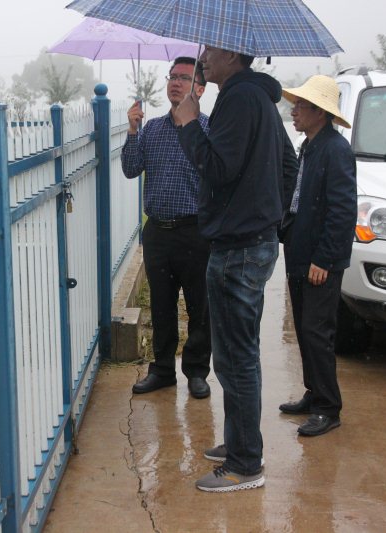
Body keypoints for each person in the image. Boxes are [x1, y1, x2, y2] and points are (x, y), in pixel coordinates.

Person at [172, 47, 298, 492]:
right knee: (237, 354)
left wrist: (189, 124)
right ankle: (241, 441)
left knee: (235, 358)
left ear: (232, 53)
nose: (204, 57)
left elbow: (216, 168)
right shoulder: (258, 97)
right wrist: (268, 217)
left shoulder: (239, 98)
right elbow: (288, 164)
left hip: (238, 247)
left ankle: (245, 463)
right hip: (251, 240)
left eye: (211, 49)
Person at [121, 56, 212, 399]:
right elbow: (131, 168)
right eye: (172, 76)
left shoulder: (208, 130)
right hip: (158, 231)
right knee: (161, 305)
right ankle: (162, 369)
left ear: (199, 89)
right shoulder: (153, 129)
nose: (175, 82)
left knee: (199, 306)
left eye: (184, 78)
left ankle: (197, 371)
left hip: (196, 231)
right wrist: (133, 130)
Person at [277, 75, 357, 437]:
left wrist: (324, 259)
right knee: (304, 327)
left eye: (301, 106)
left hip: (319, 257)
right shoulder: (309, 145)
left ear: (319, 112)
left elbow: (342, 210)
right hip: (300, 248)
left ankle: (328, 407)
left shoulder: (335, 150)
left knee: (317, 330)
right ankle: (314, 392)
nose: (294, 111)